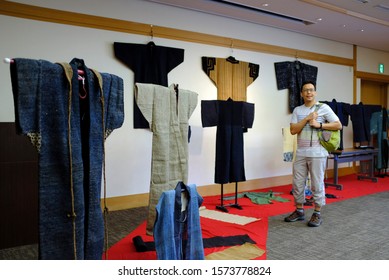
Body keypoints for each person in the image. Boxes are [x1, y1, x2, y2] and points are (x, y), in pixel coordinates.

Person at [284, 81, 342, 227]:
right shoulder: (297, 110)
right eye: (306, 90)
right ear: (301, 94)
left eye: (311, 90)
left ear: (315, 92)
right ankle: (299, 210)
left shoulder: (323, 108)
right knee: (297, 183)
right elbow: (293, 130)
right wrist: (307, 119)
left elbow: (338, 125)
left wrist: (320, 125)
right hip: (301, 153)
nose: (309, 92)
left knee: (317, 183)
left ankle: (317, 213)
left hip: (318, 153)